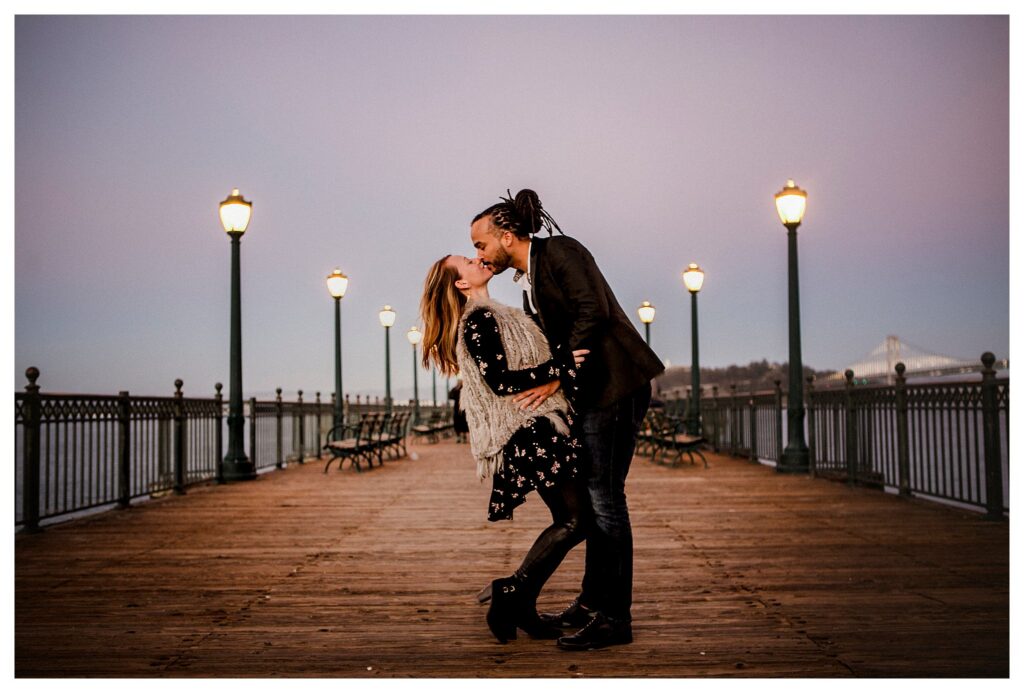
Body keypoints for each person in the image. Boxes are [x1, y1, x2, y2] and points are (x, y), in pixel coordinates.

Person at [471, 189, 664, 650]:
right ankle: (591, 603)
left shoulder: (560, 251)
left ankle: (615, 618)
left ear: (506, 234)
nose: (479, 253)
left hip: (615, 386)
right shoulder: (529, 277)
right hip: (592, 394)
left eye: (480, 244)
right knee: (599, 503)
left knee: (605, 501)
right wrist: (558, 376)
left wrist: (559, 372)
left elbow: (591, 311)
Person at [420, 253, 592, 644]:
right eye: (467, 260)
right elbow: (500, 381)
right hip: (528, 430)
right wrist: (561, 368)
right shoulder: (478, 319)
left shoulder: (496, 313)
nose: (478, 258)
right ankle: (512, 592)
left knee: (570, 517)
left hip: (537, 426)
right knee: (575, 519)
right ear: (461, 284)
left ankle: (520, 602)